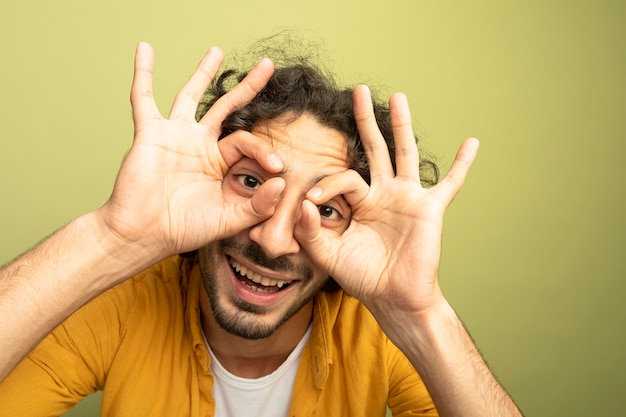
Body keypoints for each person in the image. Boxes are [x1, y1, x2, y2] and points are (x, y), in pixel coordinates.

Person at [0, 39, 523, 417]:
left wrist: (420, 314)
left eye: (324, 209)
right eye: (250, 182)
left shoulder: (377, 335)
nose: (273, 240)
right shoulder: (127, 305)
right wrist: (112, 237)